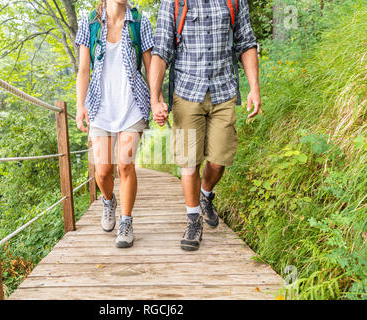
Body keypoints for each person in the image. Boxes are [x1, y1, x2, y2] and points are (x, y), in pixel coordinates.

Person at [149, 0, 261, 251]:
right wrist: (155, 99)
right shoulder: (174, 2)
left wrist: (254, 88)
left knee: (219, 160)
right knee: (189, 161)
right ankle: (192, 220)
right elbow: (161, 50)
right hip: (187, 92)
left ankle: (206, 194)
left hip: (224, 91)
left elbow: (246, 42)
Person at [75, 0, 156, 248]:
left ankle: (126, 221)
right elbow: (84, 69)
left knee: (124, 165)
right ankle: (108, 200)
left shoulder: (139, 22)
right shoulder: (89, 23)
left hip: (131, 105)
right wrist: (80, 106)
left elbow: (151, 65)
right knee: (102, 171)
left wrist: (157, 99)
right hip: (100, 106)